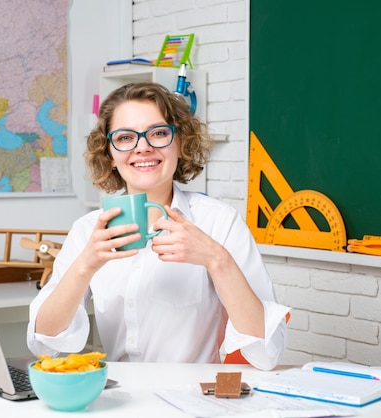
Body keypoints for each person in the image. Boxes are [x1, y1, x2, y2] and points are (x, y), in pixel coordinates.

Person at [27, 82, 289, 370]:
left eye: (159, 133)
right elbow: (44, 342)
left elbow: (267, 352)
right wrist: (84, 265)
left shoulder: (219, 221)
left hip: (195, 401)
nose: (143, 147)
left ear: (180, 143)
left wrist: (216, 259)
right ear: (110, 154)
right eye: (125, 137)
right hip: (119, 398)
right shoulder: (88, 230)